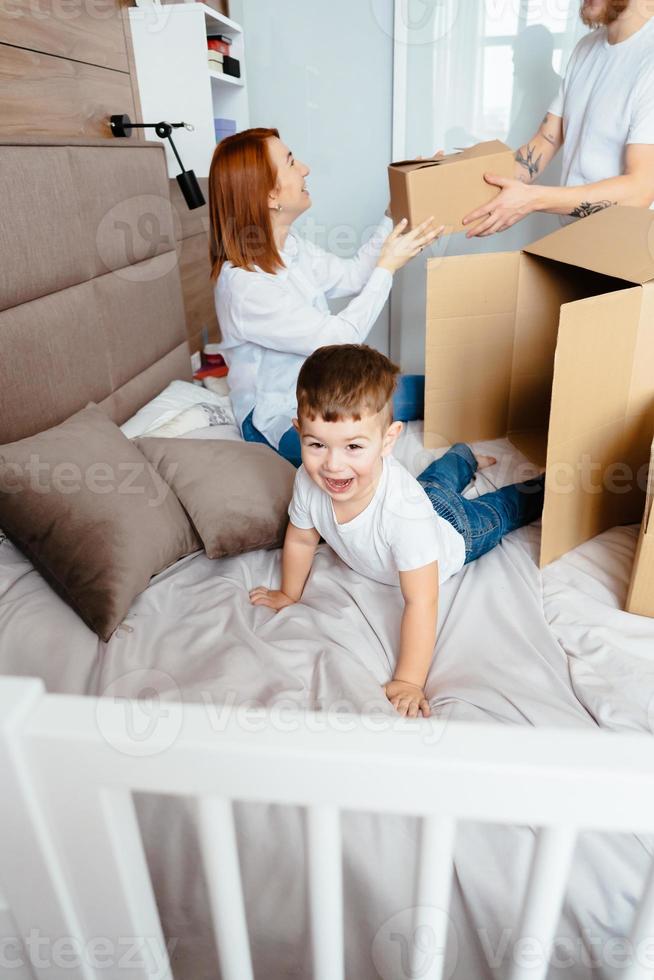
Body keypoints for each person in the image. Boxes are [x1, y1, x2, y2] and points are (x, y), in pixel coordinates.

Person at [249, 345, 545, 718]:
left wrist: (409, 680)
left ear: (389, 439)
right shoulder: (309, 481)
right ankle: (464, 456)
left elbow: (422, 601)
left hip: (455, 533)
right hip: (426, 500)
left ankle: (544, 487)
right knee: (437, 482)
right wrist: (289, 594)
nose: (333, 466)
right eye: (316, 445)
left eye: (354, 446)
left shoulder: (405, 513)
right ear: (299, 431)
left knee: (501, 510)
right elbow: (302, 537)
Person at [208, 128, 442, 467]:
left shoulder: (290, 248)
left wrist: (395, 210)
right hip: (281, 418)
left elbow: (352, 276)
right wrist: (388, 267)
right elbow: (338, 339)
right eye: (290, 162)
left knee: (441, 392)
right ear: (269, 196)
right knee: (364, 462)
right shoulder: (245, 287)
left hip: (327, 394)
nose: (304, 168)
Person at [463, 0, 654, 238]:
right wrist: (464, 186)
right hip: (573, 242)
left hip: (627, 251)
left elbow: (640, 190)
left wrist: (533, 199)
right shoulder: (586, 48)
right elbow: (547, 139)